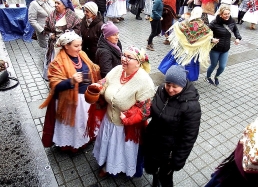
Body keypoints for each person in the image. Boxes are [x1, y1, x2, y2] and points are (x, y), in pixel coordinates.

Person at [91, 46, 155, 177]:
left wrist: (129, 116)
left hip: (125, 127)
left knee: (120, 149)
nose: (124, 59)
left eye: (129, 57)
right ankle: (106, 164)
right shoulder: (117, 70)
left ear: (139, 62)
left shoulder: (144, 81)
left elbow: (145, 109)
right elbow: (105, 82)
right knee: (109, 145)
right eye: (123, 55)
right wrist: (98, 87)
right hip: (109, 120)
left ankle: (116, 168)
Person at [39, 32, 100, 152]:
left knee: (82, 123)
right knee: (72, 126)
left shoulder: (82, 55)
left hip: (85, 99)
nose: (80, 49)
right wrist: (70, 81)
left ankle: (83, 140)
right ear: (66, 46)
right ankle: (69, 145)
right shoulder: (57, 62)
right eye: (76, 46)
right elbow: (54, 85)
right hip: (68, 102)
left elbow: (92, 68)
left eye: (80, 45)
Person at [144, 65, 201, 187]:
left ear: (183, 84)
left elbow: (189, 137)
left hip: (169, 151)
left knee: (166, 177)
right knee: (153, 168)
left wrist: (178, 160)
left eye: (175, 86)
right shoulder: (161, 90)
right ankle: (155, 180)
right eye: (168, 84)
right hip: (153, 141)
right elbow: (154, 109)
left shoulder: (191, 106)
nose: (170, 89)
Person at [158, 7, 215, 81]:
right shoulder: (203, 26)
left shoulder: (185, 22)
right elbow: (207, 35)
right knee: (188, 65)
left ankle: (173, 75)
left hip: (182, 48)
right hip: (192, 51)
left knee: (178, 62)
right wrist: (211, 40)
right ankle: (184, 78)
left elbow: (177, 27)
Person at [43, 0, 81, 80]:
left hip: (67, 46)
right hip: (54, 44)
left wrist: (70, 34)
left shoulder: (71, 15)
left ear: (64, 5)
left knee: (66, 63)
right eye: (55, 3)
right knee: (54, 62)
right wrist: (50, 34)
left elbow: (78, 28)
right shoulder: (52, 14)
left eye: (58, 3)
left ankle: (66, 78)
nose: (56, 5)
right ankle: (55, 79)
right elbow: (46, 28)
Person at [204, 5, 241, 86]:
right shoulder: (214, 22)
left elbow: (235, 30)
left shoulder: (232, 21)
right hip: (215, 48)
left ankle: (216, 77)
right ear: (221, 14)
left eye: (228, 13)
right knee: (213, 65)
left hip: (226, 48)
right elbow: (204, 33)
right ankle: (208, 77)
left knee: (222, 66)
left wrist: (238, 38)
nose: (227, 15)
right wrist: (211, 39)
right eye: (225, 14)